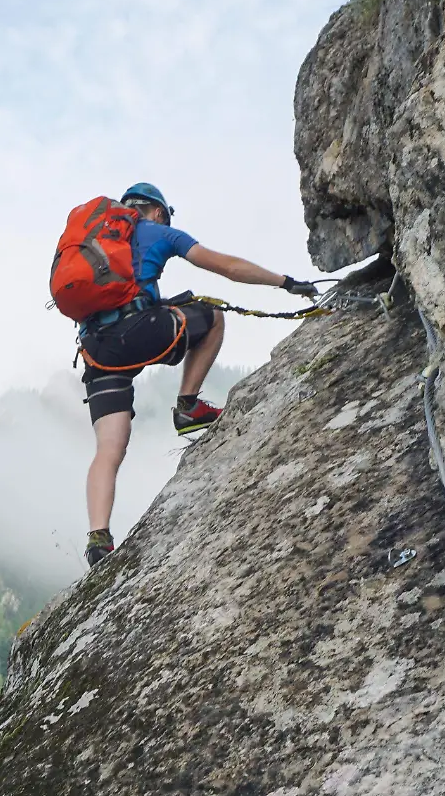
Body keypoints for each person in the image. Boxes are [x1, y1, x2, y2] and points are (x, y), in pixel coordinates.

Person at [79, 182, 319, 567]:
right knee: (212, 315)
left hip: (95, 351)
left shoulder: (97, 244)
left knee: (109, 448)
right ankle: (187, 406)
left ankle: (98, 537)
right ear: (158, 211)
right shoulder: (159, 231)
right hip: (139, 334)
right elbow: (226, 267)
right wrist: (285, 282)